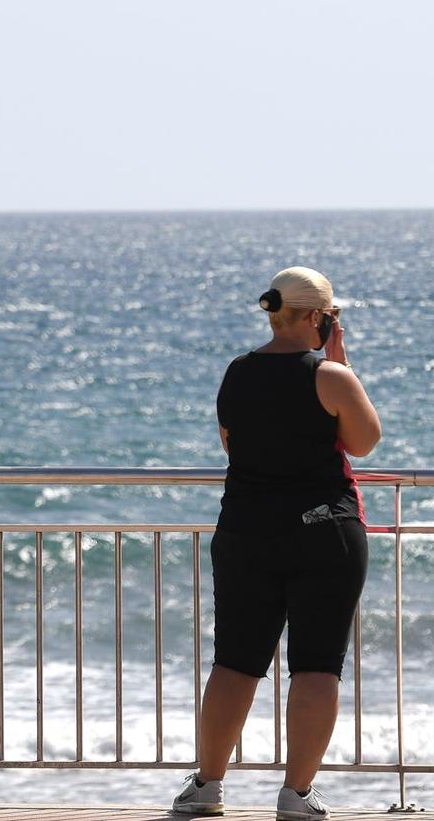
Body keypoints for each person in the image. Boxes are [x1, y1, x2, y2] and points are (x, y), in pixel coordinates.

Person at [172, 267, 382, 819]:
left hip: (245, 531)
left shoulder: (237, 372)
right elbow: (363, 442)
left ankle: (208, 785)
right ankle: (296, 794)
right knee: (316, 665)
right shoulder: (330, 375)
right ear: (318, 316)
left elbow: (230, 442)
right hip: (323, 533)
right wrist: (341, 360)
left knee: (235, 662)